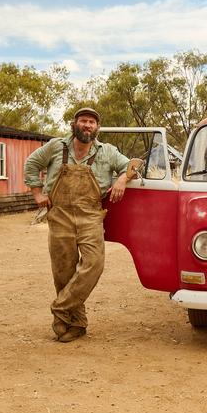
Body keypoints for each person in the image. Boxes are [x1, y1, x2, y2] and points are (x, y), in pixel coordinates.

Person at [24, 107, 132, 343]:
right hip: (59, 214)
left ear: (97, 128)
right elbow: (32, 164)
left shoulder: (107, 152)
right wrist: (37, 193)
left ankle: (60, 308)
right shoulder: (56, 147)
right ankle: (76, 323)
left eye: (92, 122)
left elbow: (131, 165)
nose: (87, 125)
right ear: (74, 124)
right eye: (83, 120)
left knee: (94, 263)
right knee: (63, 270)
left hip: (90, 215)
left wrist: (122, 178)